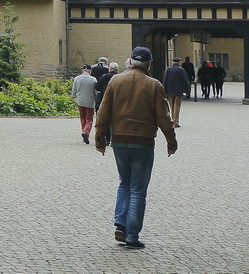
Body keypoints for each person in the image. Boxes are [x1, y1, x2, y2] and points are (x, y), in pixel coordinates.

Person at [94, 47, 177, 250]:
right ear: (149, 64)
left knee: (125, 183)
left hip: (120, 141)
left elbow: (103, 111)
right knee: (138, 190)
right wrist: (171, 141)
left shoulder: (115, 81)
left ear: (130, 62)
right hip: (143, 141)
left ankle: (120, 223)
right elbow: (164, 117)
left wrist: (100, 138)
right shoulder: (154, 85)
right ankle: (132, 236)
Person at [161, 57, 191, 127]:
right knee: (177, 106)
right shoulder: (181, 70)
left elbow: (165, 81)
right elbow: (185, 81)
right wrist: (187, 91)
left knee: (171, 106)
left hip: (170, 91)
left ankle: (172, 120)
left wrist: (164, 91)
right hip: (178, 91)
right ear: (179, 62)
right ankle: (176, 121)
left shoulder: (168, 69)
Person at [73, 64, 98, 144]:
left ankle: (84, 133)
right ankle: (85, 132)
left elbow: (74, 90)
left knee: (82, 118)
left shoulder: (77, 78)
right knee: (89, 118)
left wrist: (74, 96)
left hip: (80, 101)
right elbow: (96, 92)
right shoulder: (93, 79)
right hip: (89, 101)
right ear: (89, 70)